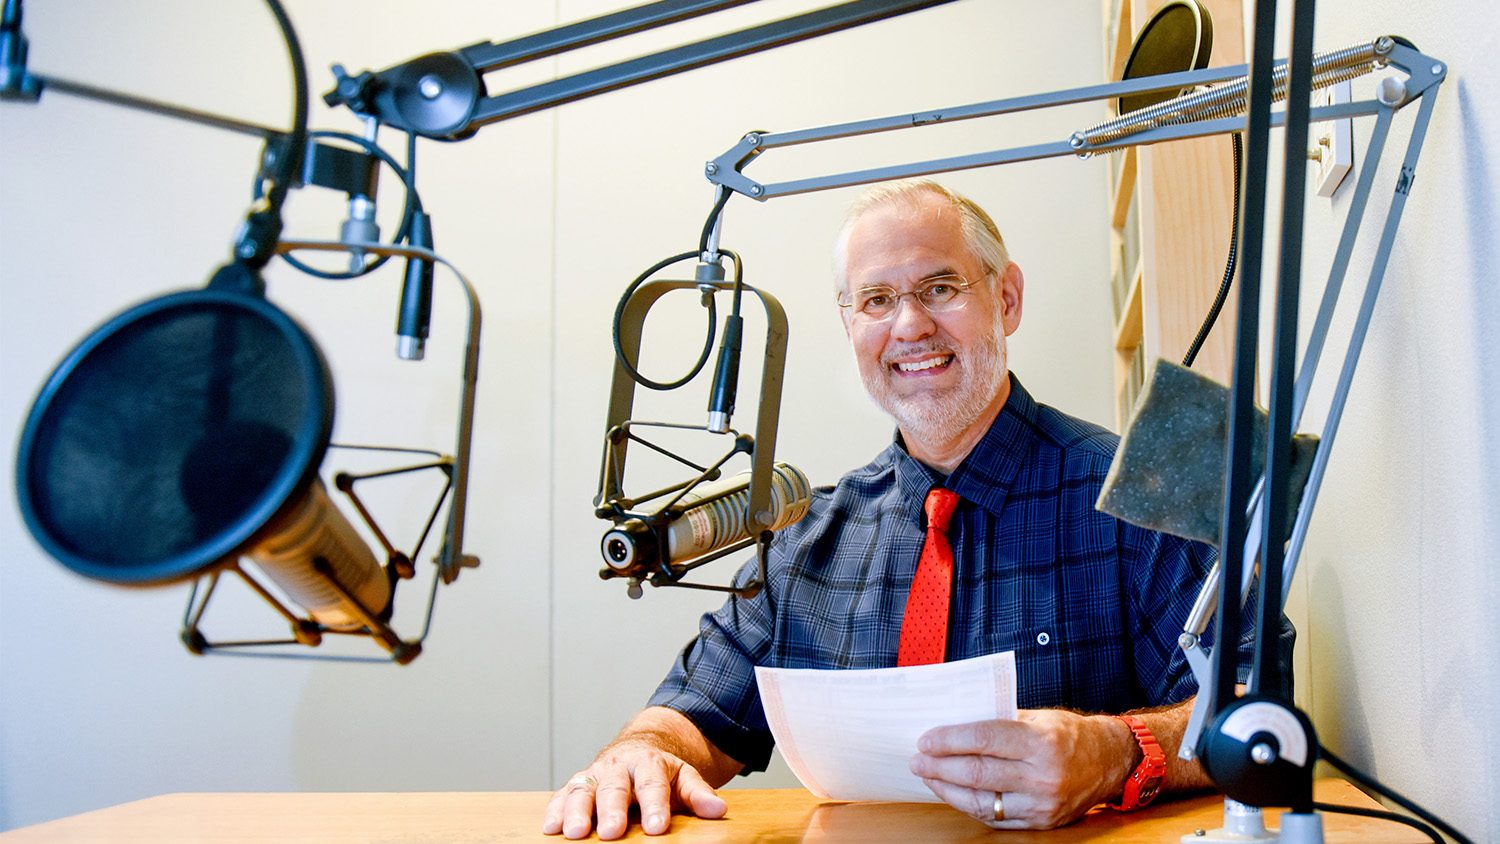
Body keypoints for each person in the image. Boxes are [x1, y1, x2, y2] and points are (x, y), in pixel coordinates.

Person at [543, 180, 1288, 839]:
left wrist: (1119, 750)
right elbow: (690, 714)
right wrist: (640, 752)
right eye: (876, 300)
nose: (909, 327)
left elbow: (1261, 705)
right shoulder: (804, 537)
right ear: (850, 326)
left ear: (1006, 299)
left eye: (940, 288)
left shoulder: (1140, 495)